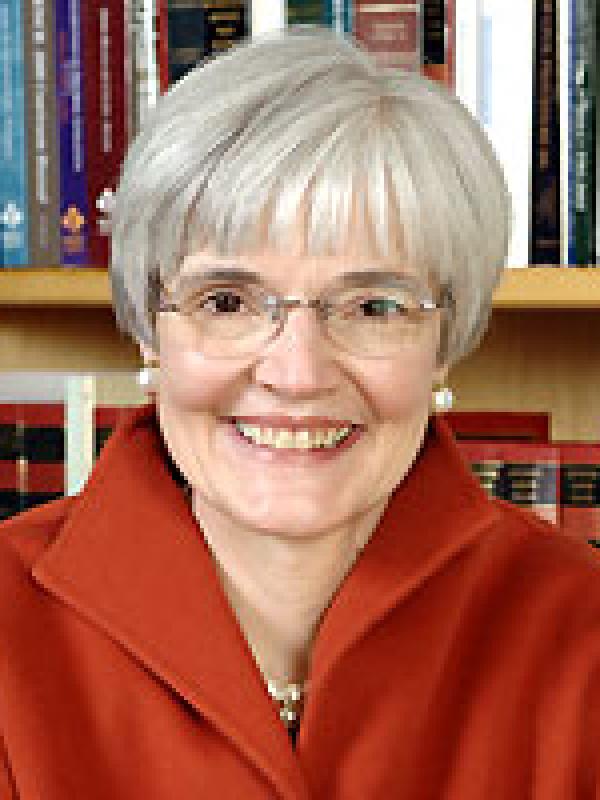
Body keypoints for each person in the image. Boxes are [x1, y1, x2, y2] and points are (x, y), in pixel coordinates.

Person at [0, 26, 598, 800]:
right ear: (151, 330)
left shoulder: (582, 630)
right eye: (227, 302)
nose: (296, 374)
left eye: (373, 306)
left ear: (446, 344)